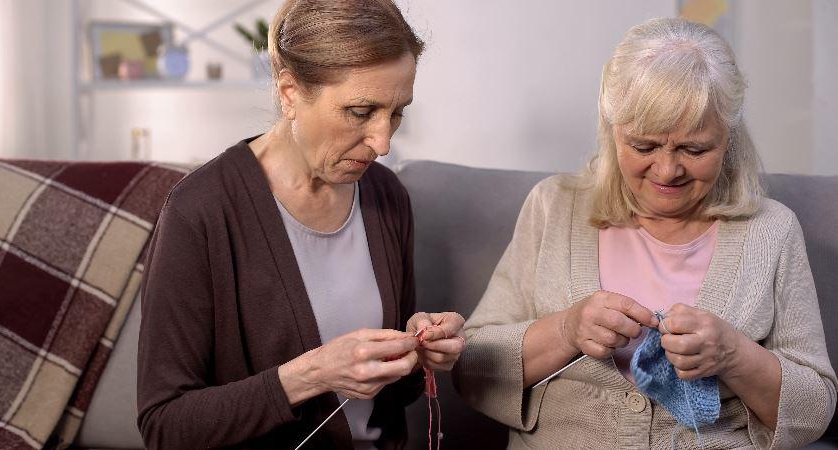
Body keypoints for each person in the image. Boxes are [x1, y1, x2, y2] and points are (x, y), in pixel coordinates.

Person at [453, 17, 836, 449]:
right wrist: (566, 331)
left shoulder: (772, 230)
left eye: (694, 149)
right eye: (644, 146)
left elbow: (814, 410)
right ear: (611, 130)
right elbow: (470, 367)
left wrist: (732, 354)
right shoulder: (553, 207)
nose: (668, 170)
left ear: (728, 138)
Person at [136, 1, 465, 449]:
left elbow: (397, 397)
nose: (383, 143)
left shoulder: (386, 196)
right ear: (289, 92)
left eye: (397, 112)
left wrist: (418, 351)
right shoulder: (201, 210)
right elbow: (165, 426)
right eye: (360, 111)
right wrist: (311, 375)